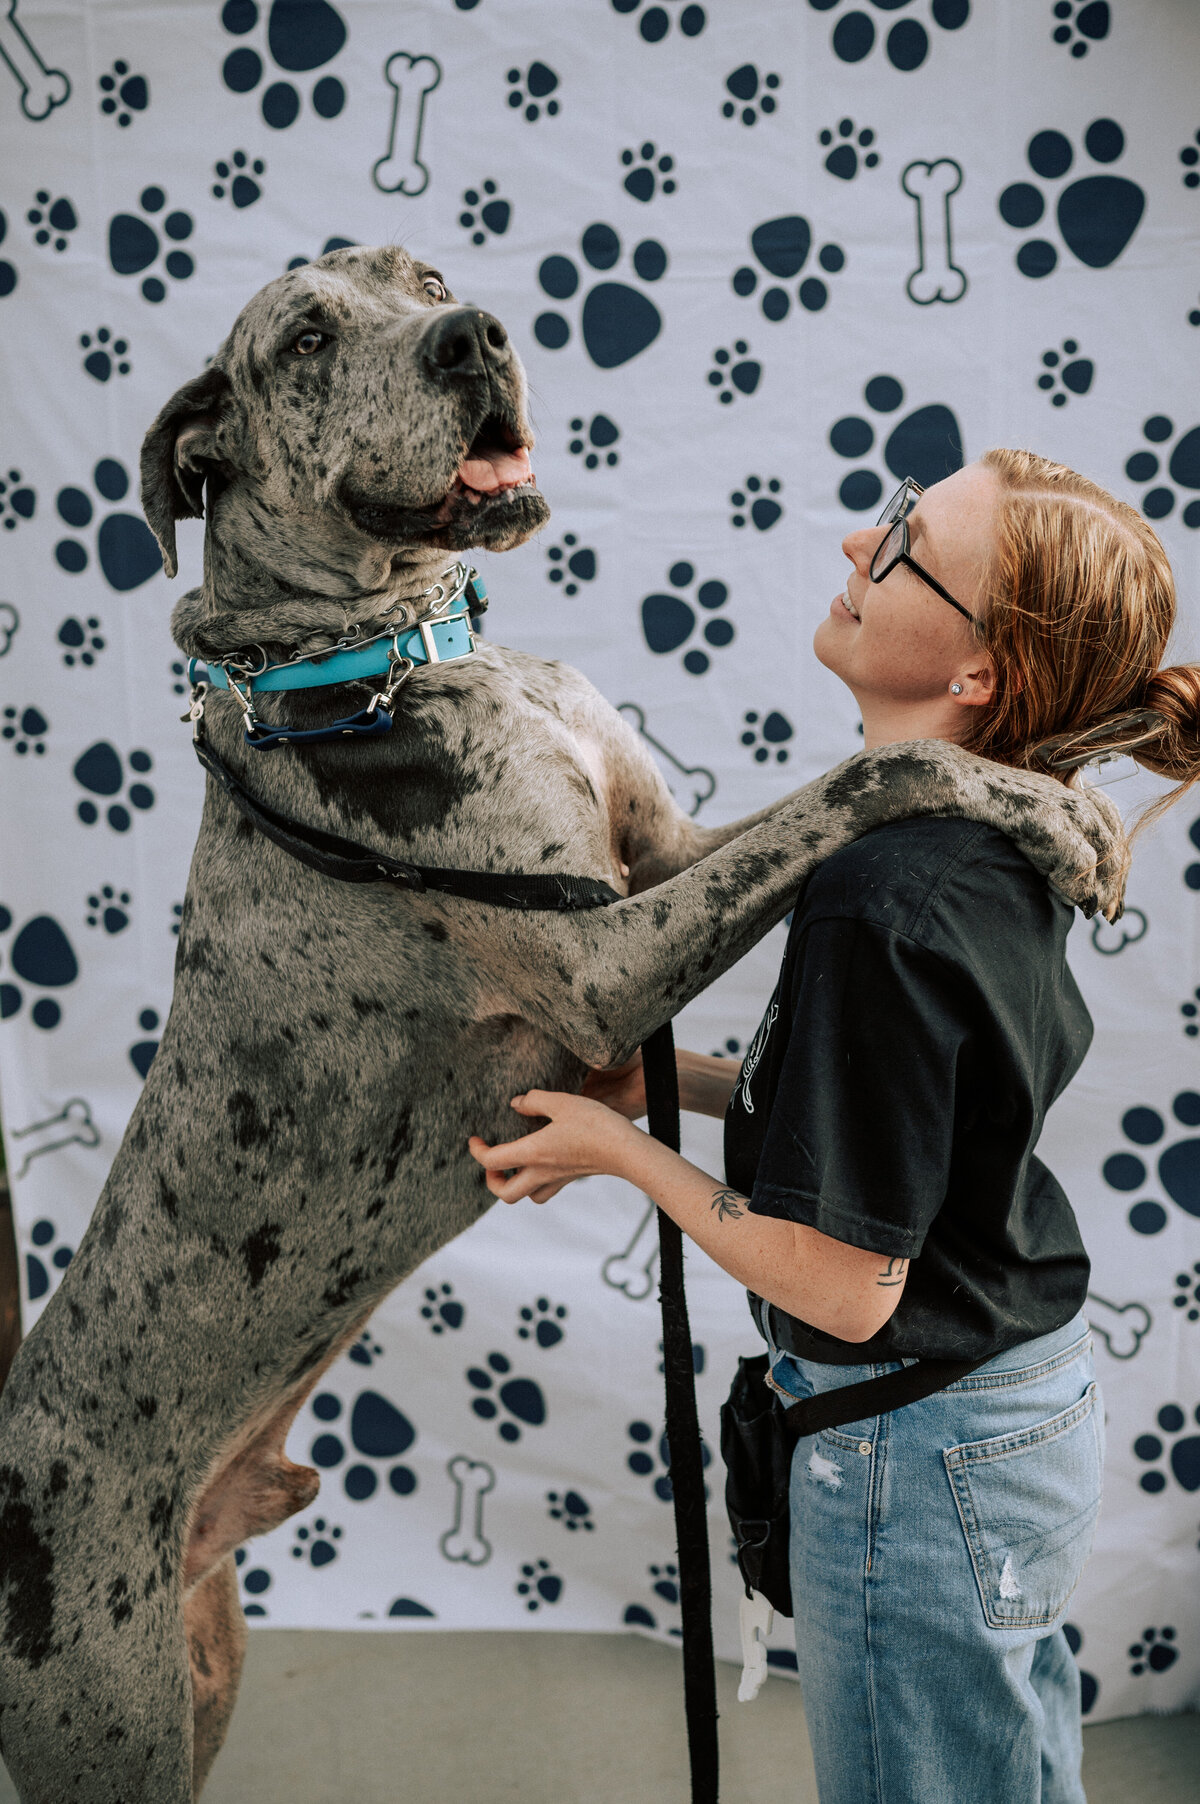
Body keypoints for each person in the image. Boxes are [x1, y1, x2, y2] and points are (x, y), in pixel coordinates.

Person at [468, 450, 1198, 1804]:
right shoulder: (998, 841)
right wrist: (660, 1083)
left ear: (978, 674)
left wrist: (615, 1154)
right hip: (1014, 1408)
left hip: (918, 1453)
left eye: (913, 541)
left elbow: (848, 1284)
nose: (864, 537)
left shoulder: (887, 896)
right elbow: (887, 1113)